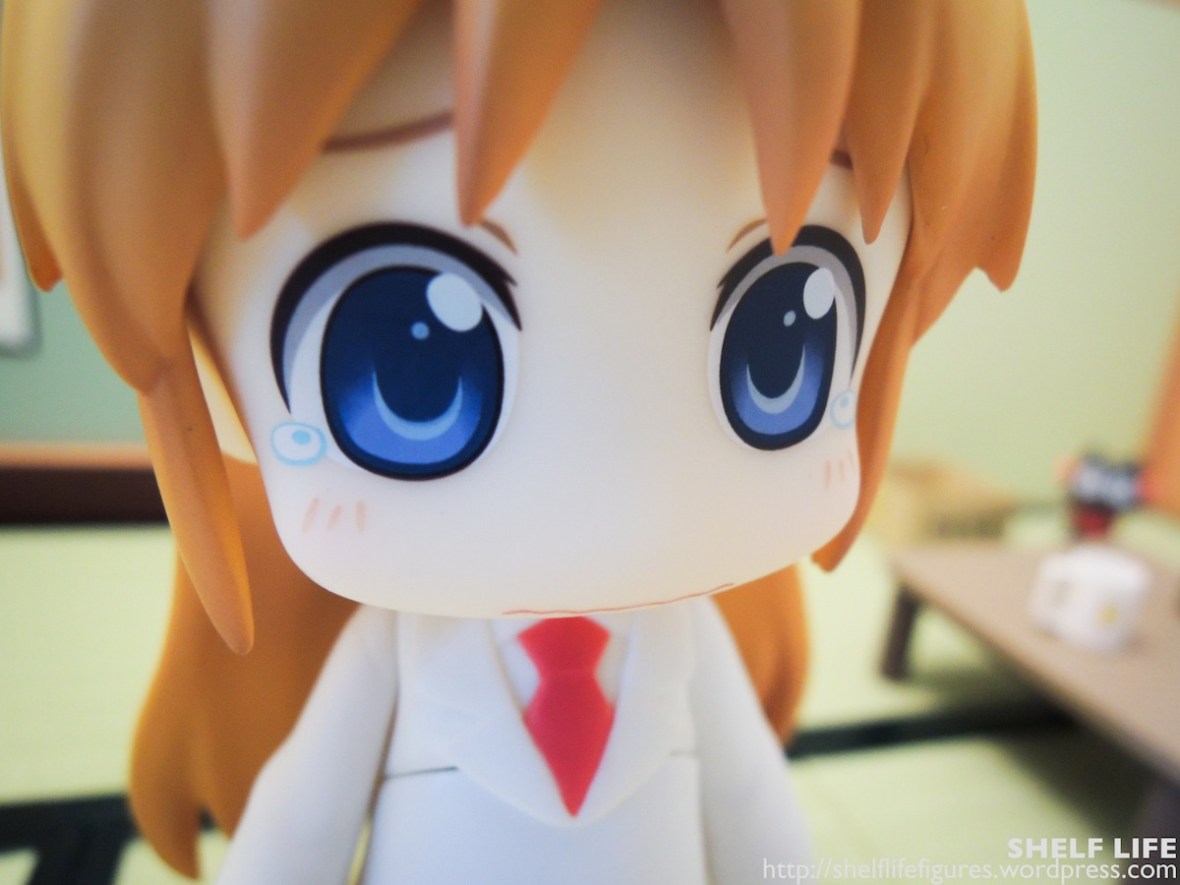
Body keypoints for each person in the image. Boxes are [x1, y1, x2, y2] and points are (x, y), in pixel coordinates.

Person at [1, 0, 1035, 880]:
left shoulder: (686, 642)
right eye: (408, 366)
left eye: (784, 341)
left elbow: (756, 812)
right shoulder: (394, 649)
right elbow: (300, 826)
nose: (623, 504)